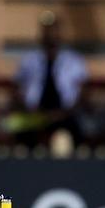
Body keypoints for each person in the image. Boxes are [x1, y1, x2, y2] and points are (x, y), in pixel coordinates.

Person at [14, 11, 87, 148]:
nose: (51, 36)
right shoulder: (29, 60)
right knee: (19, 128)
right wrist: (32, 110)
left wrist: (62, 114)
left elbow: (82, 94)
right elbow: (18, 91)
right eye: (47, 31)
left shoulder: (74, 60)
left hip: (65, 115)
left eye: (54, 31)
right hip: (34, 114)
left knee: (73, 130)